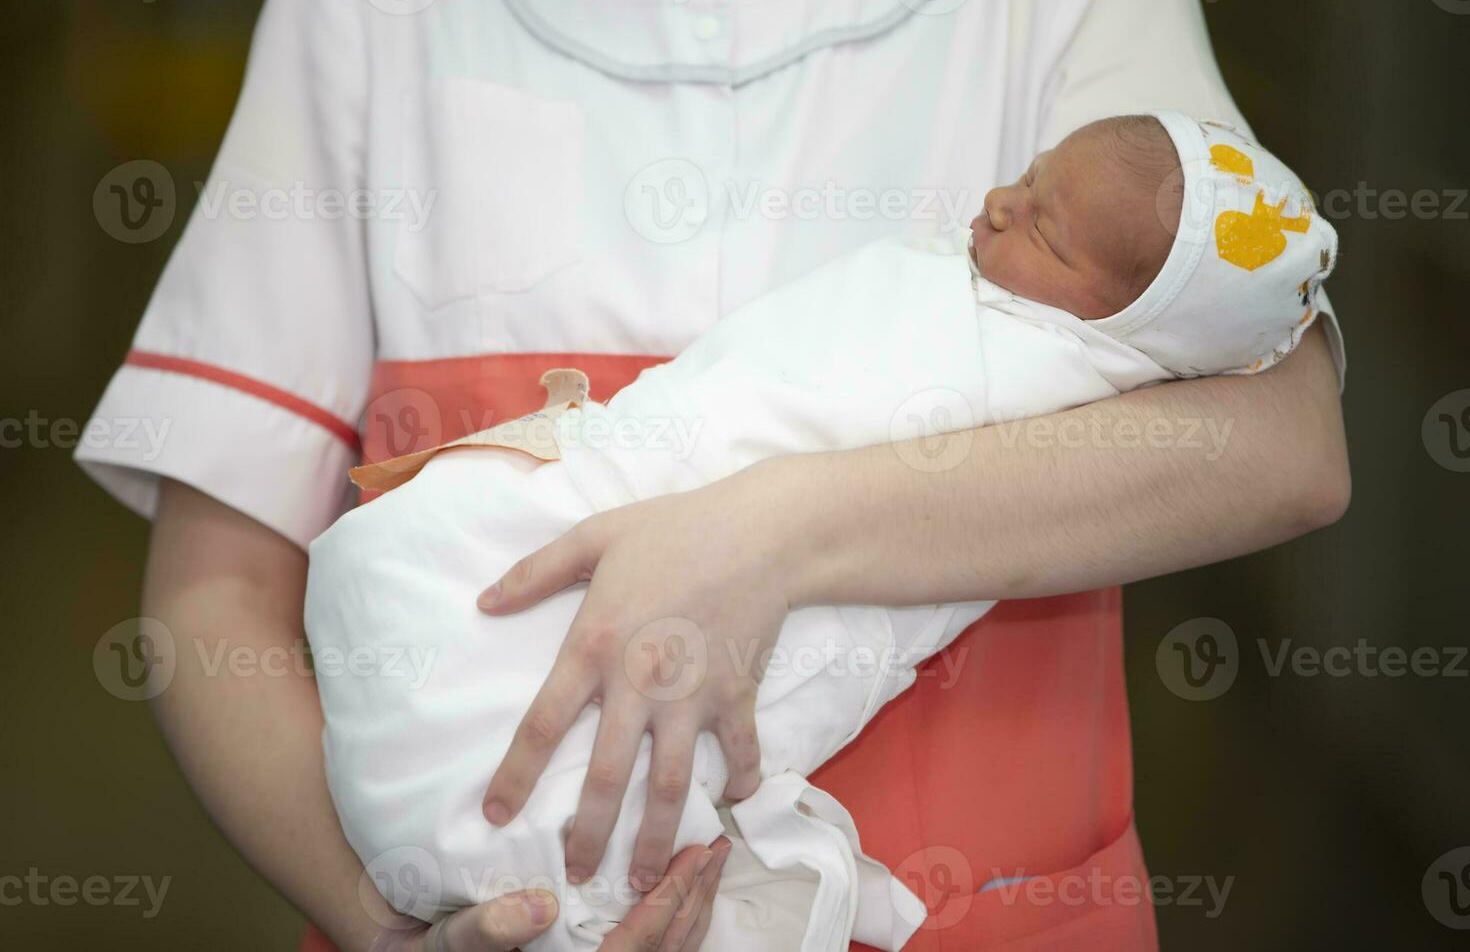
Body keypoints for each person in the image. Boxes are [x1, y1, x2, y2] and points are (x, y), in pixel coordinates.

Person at [77, 0, 1350, 949]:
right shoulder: (374, 0)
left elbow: (1287, 444)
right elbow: (214, 596)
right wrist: (390, 916)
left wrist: (775, 532)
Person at [307, 112, 1337, 952]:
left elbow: (1297, 461)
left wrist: (765, 528)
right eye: (1025, 176)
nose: (998, 204)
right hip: (633, 472)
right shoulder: (957, 273)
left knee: (597, 735)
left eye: (1047, 231)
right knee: (422, 563)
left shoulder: (1057, 374)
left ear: (1122, 328)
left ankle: (510, 823)